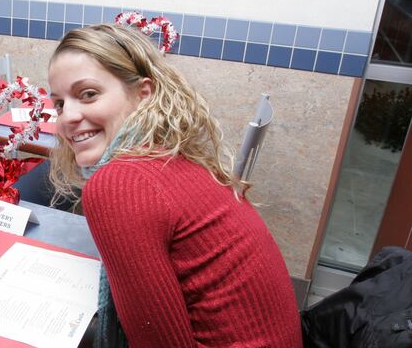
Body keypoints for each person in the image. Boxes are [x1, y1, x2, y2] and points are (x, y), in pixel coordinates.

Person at [47, 18, 302, 347]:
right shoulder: (170, 154)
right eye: (59, 103)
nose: (66, 116)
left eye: (89, 94)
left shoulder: (120, 183)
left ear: (143, 94)